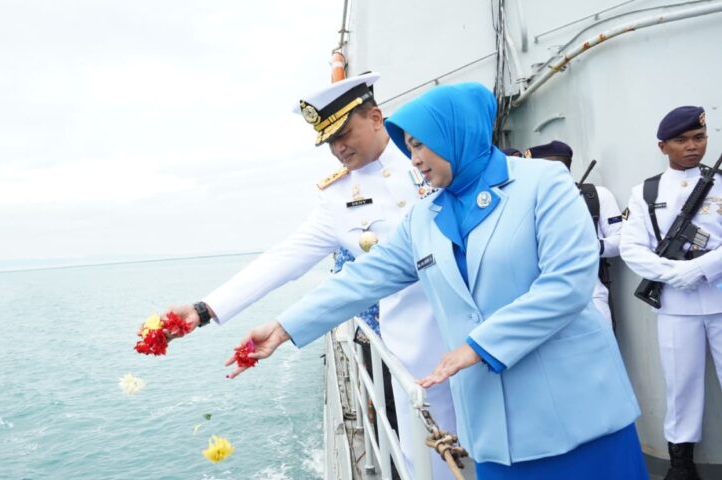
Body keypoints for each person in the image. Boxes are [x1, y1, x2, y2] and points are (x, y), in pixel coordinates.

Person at [228, 83, 647, 480]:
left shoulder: (542, 183)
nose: (413, 159)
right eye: (409, 148)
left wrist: (478, 345)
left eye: (420, 144)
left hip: (579, 411)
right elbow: (361, 280)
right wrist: (283, 327)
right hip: (494, 431)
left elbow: (567, 285)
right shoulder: (424, 219)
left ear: (455, 132)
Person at [162, 72, 456, 478]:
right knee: (431, 463)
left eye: (344, 134)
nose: (338, 149)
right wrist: (203, 310)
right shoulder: (337, 197)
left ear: (375, 117)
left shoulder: (429, 155)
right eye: (329, 141)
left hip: (477, 334)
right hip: (415, 352)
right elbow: (285, 257)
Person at [620, 105, 722, 480]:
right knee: (680, 385)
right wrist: (676, 273)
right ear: (663, 146)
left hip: (720, 296)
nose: (692, 146)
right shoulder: (646, 192)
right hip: (676, 306)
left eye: (699, 138)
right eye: (681, 140)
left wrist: (702, 267)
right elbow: (632, 248)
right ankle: (680, 463)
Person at [525, 140, 623, 328]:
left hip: (591, 296)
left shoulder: (596, 196)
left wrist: (587, 245)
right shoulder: (524, 205)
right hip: (540, 301)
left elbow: (621, 241)